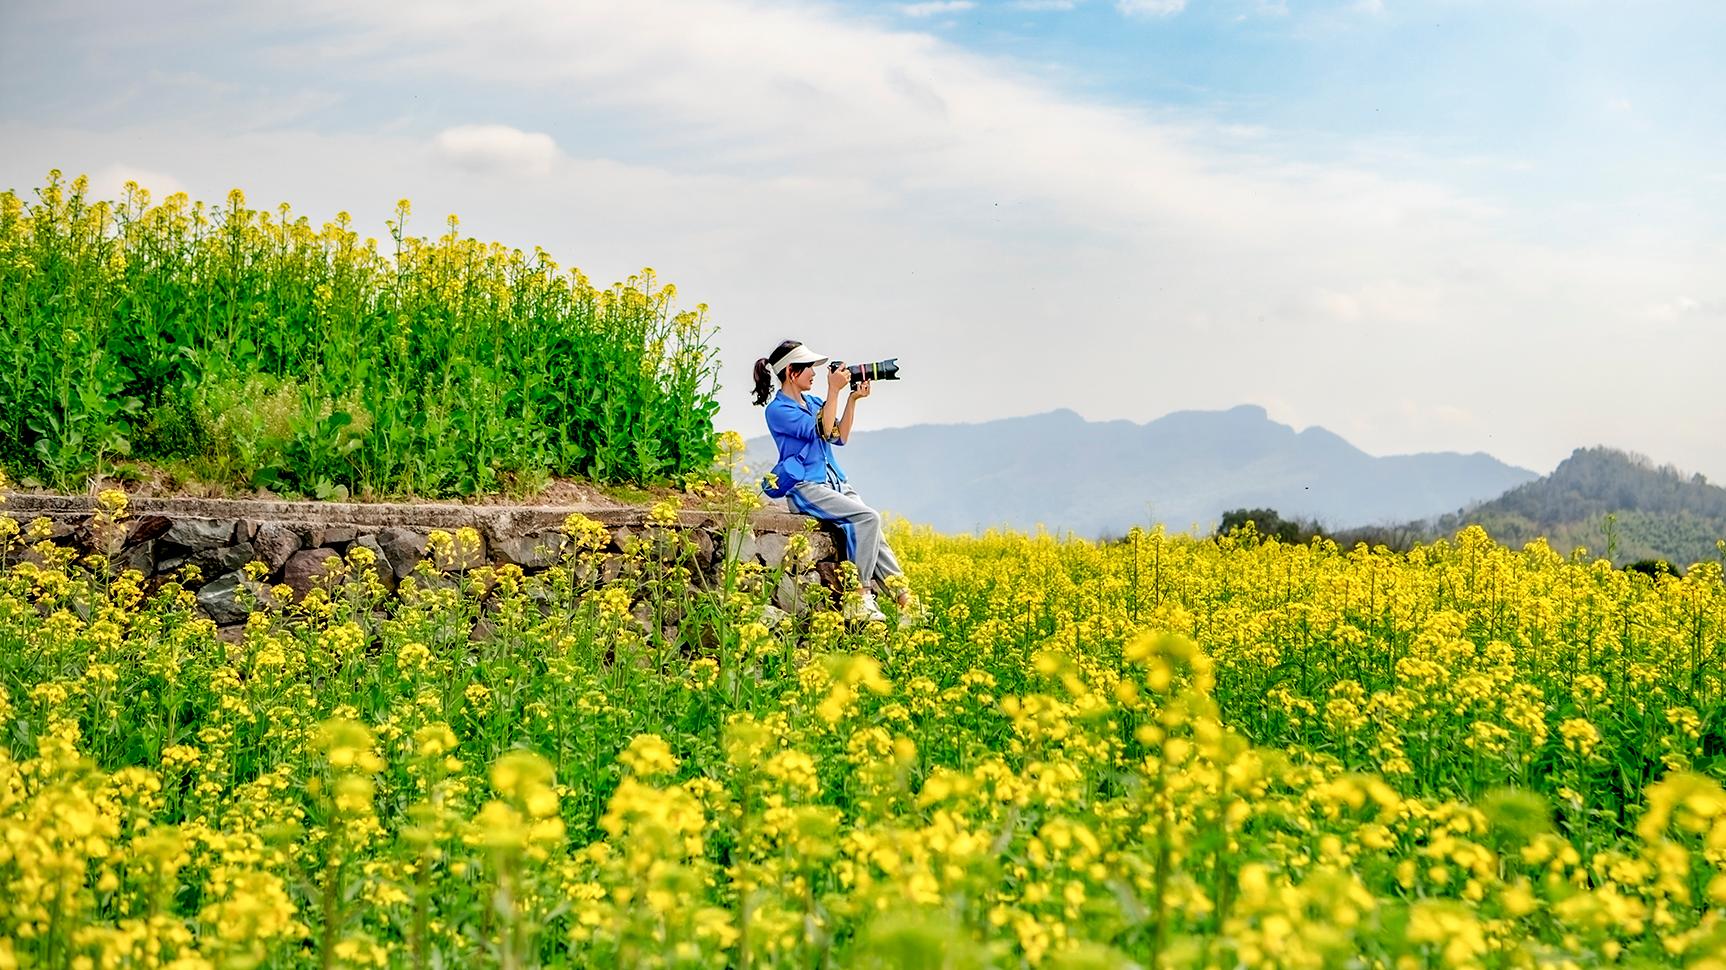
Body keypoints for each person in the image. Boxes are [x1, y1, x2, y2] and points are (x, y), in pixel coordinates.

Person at [752, 339, 910, 622]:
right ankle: (859, 596)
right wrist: (833, 390)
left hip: (836, 481)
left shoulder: (813, 401)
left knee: (876, 533)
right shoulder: (778, 410)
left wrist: (851, 400)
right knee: (868, 518)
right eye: (809, 368)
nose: (814, 373)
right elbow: (820, 428)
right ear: (791, 372)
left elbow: (839, 437)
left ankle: (906, 602)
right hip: (807, 486)